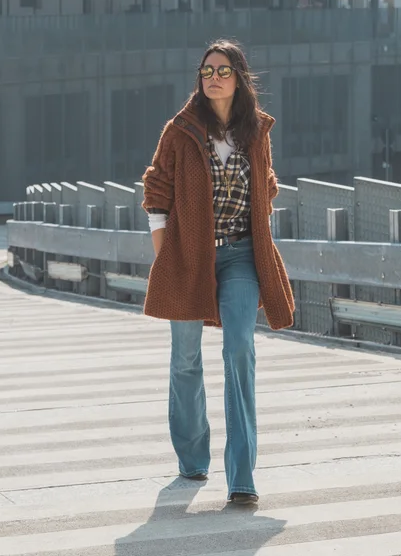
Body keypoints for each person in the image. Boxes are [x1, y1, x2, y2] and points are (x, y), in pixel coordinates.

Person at [142, 39, 295, 506]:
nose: (213, 78)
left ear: (239, 77)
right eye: (207, 70)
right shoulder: (181, 130)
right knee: (186, 357)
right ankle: (192, 459)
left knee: (239, 348)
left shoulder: (256, 131)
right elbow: (156, 195)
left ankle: (242, 476)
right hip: (188, 256)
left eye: (222, 70)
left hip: (242, 256)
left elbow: (267, 186)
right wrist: (168, 258)